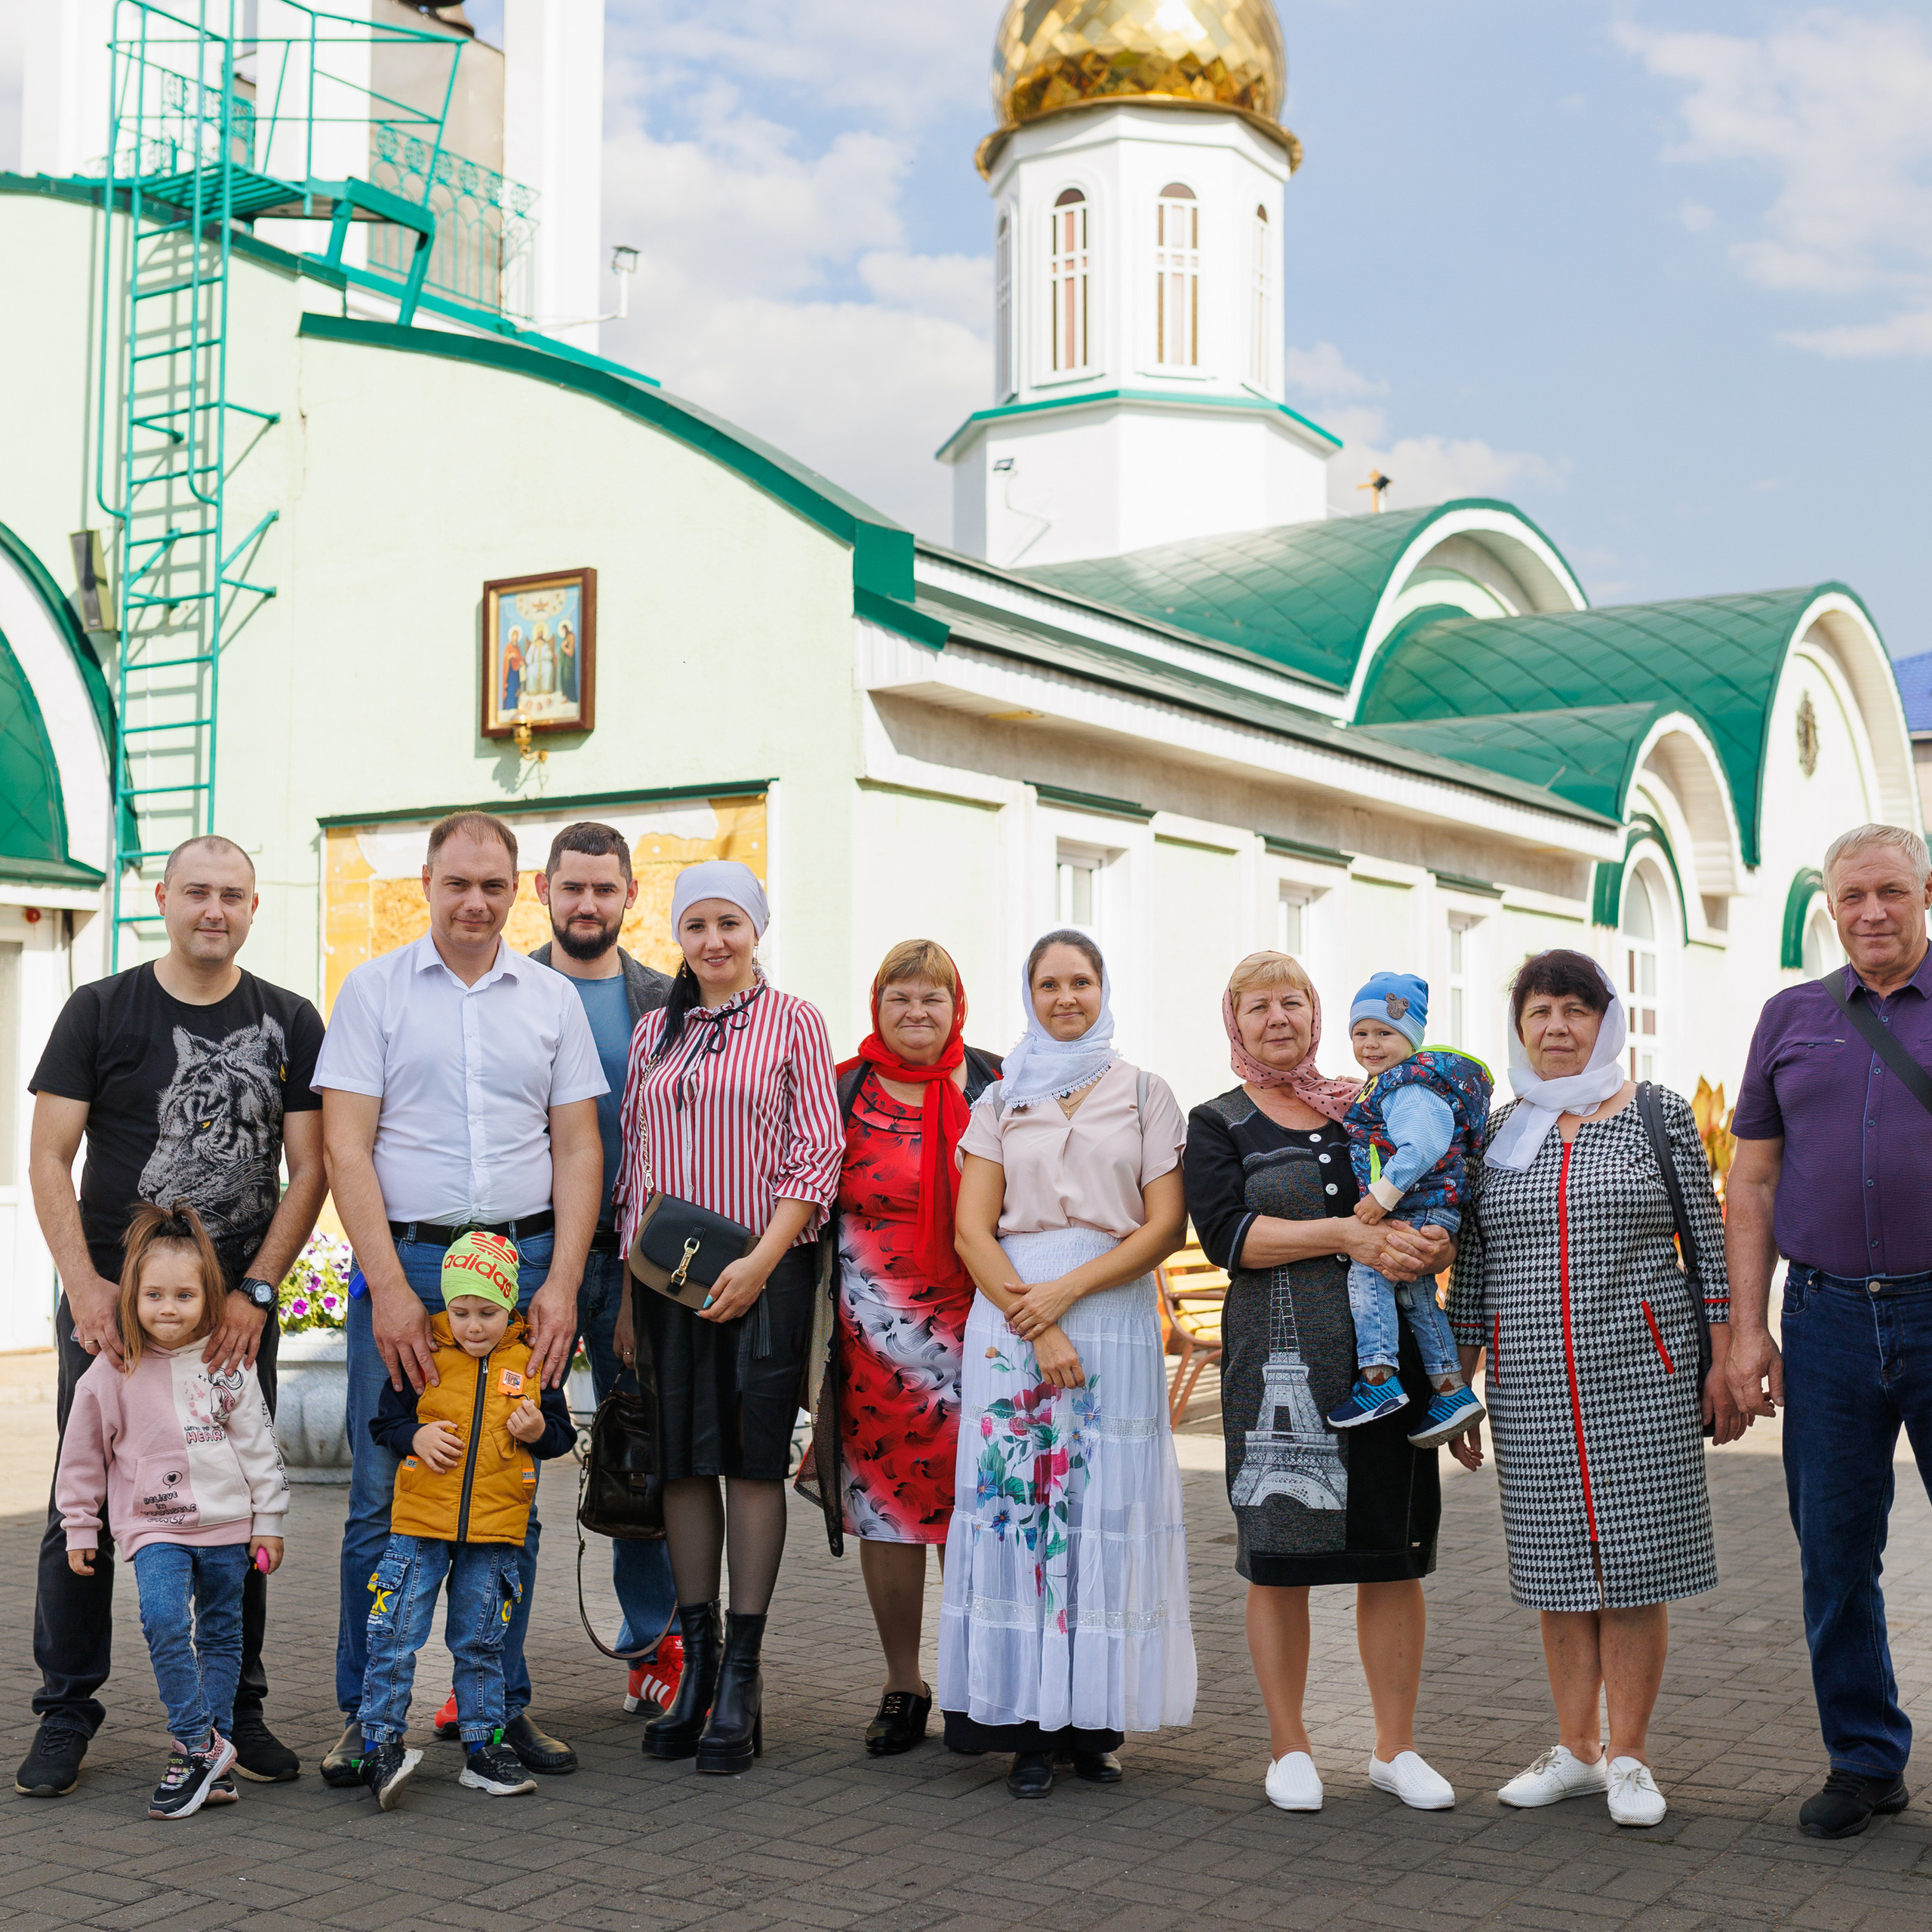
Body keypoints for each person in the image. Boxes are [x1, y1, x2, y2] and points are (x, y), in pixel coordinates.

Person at [20, 833, 324, 1800]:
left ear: (251, 907)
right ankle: (67, 1712)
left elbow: (309, 1168)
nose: (215, 910)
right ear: (163, 896)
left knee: (234, 1506)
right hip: (120, 1317)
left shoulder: (288, 1019)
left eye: (234, 894)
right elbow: (46, 1157)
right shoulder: (100, 1009)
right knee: (87, 1505)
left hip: (232, 1318)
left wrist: (258, 1291)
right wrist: (84, 1283)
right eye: (197, 891)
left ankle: (238, 1716)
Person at [315, 810, 605, 1787]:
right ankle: (366, 1717)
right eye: (457, 884)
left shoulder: (551, 999)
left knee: (510, 1489)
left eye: (493, 884)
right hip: (411, 1270)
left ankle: (497, 1711)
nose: (475, 902)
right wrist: (390, 1288)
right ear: (427, 887)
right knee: (378, 1495)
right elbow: (344, 1146)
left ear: (517, 888)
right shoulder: (375, 990)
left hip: (521, 1269)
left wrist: (560, 1282)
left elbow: (576, 1146)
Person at [1446, 948, 1742, 1829]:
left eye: (1575, 1010)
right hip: (1531, 1382)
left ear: (1605, 1021)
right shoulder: (1499, 1131)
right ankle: (1576, 1749)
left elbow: (1708, 1243)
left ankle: (1632, 1756)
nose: (1557, 1028)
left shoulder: (1653, 1113)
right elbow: (1475, 1274)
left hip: (1640, 1376)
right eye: (1540, 1012)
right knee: (1557, 1568)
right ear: (1520, 1026)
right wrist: (1455, 1391)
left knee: (1633, 1565)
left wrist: (1724, 1363)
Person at [1183, 951, 1457, 1816]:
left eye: (1292, 1001)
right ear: (1235, 1019)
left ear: (1315, 1011)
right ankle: (1289, 1746)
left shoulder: (1369, 1101)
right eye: (1257, 1005)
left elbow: (1434, 1186)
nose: (1277, 1018)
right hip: (1276, 1357)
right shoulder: (1218, 1120)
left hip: (1384, 1366)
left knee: (1390, 1557)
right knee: (1280, 1562)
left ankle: (1394, 1747)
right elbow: (1229, 1236)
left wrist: (1434, 1243)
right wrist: (1348, 1233)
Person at [941, 928, 1194, 1799]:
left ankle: (1091, 1722)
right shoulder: (1000, 1098)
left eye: (1080, 981)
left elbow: (1164, 1225)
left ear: (1102, 987)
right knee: (1023, 1516)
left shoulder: (1145, 1092)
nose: (1065, 998)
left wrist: (1070, 1296)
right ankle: (1025, 1731)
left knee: (1099, 1509)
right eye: (1047, 983)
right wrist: (1036, 1317)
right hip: (1011, 1317)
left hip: (1114, 1314)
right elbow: (972, 1228)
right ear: (1029, 994)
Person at [1726, 823, 1932, 1840]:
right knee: (1834, 1550)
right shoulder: (1791, 1016)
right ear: (1830, 907)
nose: (1872, 913)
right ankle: (1864, 1759)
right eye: (1851, 897)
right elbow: (1752, 1178)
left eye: (1890, 891)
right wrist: (1744, 1330)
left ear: (1925, 892)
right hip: (1827, 1318)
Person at [613, 860, 841, 1776]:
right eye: (697, 925)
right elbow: (633, 1168)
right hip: (666, 1279)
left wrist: (758, 1261)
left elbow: (816, 1154)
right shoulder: (651, 1034)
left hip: (761, 1273)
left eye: (729, 924)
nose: (713, 940)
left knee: (748, 1462)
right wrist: (632, 1292)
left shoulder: (794, 1022)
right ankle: (696, 1661)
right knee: (679, 1463)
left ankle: (743, 1673)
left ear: (756, 930)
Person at [808, 940, 1001, 1757]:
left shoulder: (996, 1083)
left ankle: (973, 1676)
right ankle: (903, 1681)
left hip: (985, 1330)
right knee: (885, 1511)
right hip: (870, 1338)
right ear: (876, 1004)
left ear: (958, 1007)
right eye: (900, 998)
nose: (917, 1013)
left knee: (980, 1508)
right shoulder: (842, 1087)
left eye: (933, 999)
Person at [54, 1202, 288, 1822]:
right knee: (162, 1619)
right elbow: (80, 1458)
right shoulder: (111, 1371)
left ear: (209, 1297)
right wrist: (80, 1524)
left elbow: (259, 1447)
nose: (168, 1308)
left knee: (220, 1636)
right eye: (154, 1294)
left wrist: (269, 1521)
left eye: (184, 1295)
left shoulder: (226, 1363)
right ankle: (198, 1741)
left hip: (228, 1529)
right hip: (154, 1528)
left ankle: (203, 1766)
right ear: (131, 1296)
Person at [525, 821, 680, 1718]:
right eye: (572, 887)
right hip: (532, 1253)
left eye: (604, 889)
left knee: (638, 1453)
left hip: (634, 1260)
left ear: (628, 896)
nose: (588, 903)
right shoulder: (504, 987)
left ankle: (652, 1644)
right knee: (514, 1448)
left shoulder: (665, 999)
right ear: (544, 891)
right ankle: (487, 1663)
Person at [355, 1232, 577, 1810]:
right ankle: (379, 1742)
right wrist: (416, 1435)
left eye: (488, 1313)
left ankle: (484, 1748)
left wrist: (538, 1433)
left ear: (512, 1309)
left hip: (495, 1532)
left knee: (481, 1641)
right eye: (461, 1312)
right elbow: (385, 1424)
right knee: (396, 1635)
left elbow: (561, 1436)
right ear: (445, 1308)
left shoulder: (533, 1362)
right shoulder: (423, 1353)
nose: (474, 1326)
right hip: (419, 1526)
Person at [1328, 972, 1488, 1447]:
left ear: (1412, 1037)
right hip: (1430, 1207)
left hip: (1418, 1204)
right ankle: (1449, 1389)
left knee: (1367, 1267)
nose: (1371, 1045)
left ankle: (1378, 1379)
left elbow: (1421, 1147)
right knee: (1417, 1298)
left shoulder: (1407, 1087)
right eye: (1361, 1033)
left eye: (1386, 1033)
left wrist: (1380, 1198)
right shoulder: (1395, 1084)